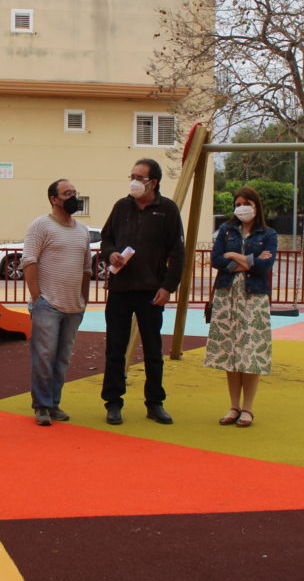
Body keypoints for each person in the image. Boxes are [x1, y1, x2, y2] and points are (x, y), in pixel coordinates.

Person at [99, 158, 185, 426]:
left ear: (154, 182)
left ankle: (155, 403)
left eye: (140, 177)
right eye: (132, 175)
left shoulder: (168, 210)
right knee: (115, 348)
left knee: (152, 349)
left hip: (151, 292)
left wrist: (168, 287)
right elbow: (106, 238)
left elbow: (178, 253)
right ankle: (113, 402)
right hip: (120, 289)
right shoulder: (121, 206)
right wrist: (111, 254)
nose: (134, 181)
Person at [205, 187, 277, 428]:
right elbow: (216, 259)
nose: (241, 207)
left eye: (246, 203)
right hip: (227, 295)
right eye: (238, 203)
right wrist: (246, 261)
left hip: (253, 297)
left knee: (251, 350)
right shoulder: (226, 230)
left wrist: (234, 254)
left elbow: (265, 265)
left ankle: (248, 408)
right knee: (230, 350)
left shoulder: (268, 234)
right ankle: (234, 405)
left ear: (256, 206)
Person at [22, 179, 92, 426]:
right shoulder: (41, 226)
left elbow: (86, 268)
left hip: (74, 306)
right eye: (67, 193)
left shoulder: (83, 231)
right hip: (48, 305)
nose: (73, 197)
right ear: (54, 198)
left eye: (75, 192)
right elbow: (29, 261)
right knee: (43, 356)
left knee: (62, 358)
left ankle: (54, 403)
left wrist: (83, 299)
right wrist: (37, 297)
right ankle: (41, 406)